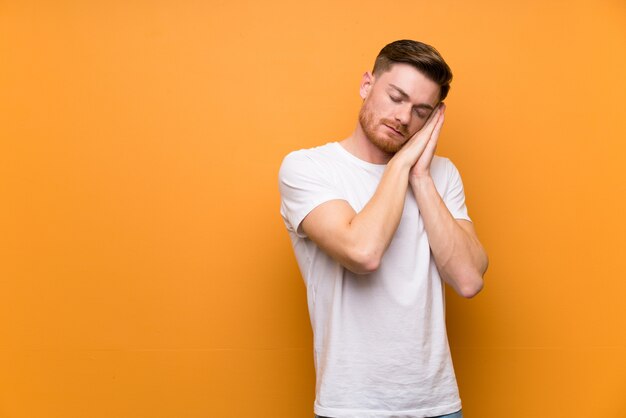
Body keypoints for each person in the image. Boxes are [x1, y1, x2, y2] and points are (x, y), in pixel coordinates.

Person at [278, 39, 488, 418]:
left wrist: (421, 177)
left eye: (421, 111)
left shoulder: (441, 175)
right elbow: (363, 252)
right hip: (352, 406)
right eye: (395, 97)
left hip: (438, 405)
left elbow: (469, 280)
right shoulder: (308, 168)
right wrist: (401, 164)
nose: (404, 118)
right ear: (366, 85)